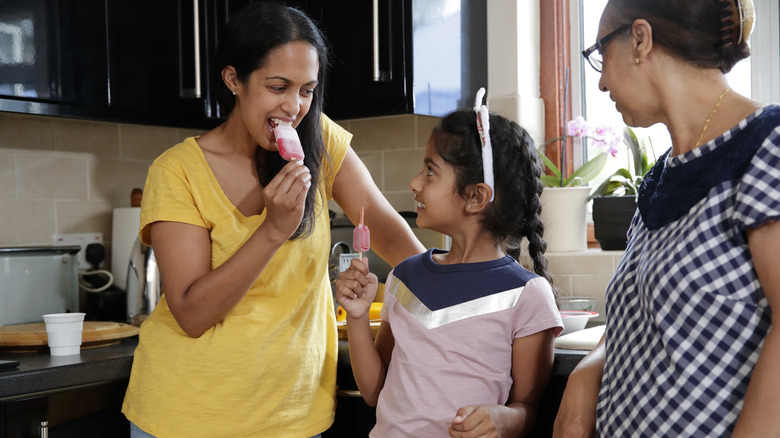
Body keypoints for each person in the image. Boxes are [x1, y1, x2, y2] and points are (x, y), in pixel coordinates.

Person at [120, 2, 425, 437]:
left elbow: (394, 239)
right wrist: (273, 230)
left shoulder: (322, 142)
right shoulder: (177, 172)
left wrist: (461, 299)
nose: (294, 107)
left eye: (307, 90)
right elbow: (190, 313)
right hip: (184, 416)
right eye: (278, 87)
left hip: (295, 417)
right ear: (234, 80)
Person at [553, 0, 780, 436]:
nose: (600, 83)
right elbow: (642, 322)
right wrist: (587, 373)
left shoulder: (766, 145)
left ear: (640, 39)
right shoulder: (661, 176)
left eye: (601, 54)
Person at [335, 91, 563, 437]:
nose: (414, 183)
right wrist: (357, 316)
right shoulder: (405, 276)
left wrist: (502, 419)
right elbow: (374, 393)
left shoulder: (528, 295)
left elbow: (528, 410)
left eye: (430, 172)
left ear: (476, 197)